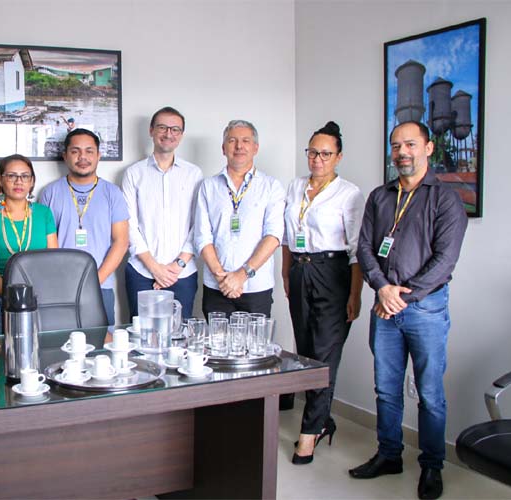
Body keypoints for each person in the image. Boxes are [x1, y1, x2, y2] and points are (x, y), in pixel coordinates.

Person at [350, 121, 467, 500]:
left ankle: (432, 466)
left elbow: (444, 261)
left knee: (430, 393)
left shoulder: (446, 199)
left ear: (428, 148)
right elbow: (365, 247)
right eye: (396, 145)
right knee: (386, 390)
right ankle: (389, 455)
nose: (402, 152)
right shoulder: (380, 196)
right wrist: (382, 288)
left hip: (425, 310)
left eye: (411, 144)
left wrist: (402, 296)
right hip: (384, 307)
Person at [282, 121, 364, 464]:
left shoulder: (349, 193)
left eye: (325, 153)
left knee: (325, 354)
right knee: (305, 351)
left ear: (338, 157)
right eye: (312, 152)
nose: (317, 159)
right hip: (300, 270)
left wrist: (355, 294)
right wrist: (286, 273)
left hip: (333, 273)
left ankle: (308, 432)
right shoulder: (295, 186)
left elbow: (358, 249)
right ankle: (324, 420)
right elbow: (287, 236)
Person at [194, 120, 285, 317]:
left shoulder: (271, 186)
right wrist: (223, 278)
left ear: (255, 148)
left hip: (255, 286)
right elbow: (202, 237)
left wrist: (242, 275)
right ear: (223, 148)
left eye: (245, 140)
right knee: (217, 347)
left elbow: (273, 236)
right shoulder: (208, 187)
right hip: (217, 287)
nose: (239, 146)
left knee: (255, 347)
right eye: (232, 140)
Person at [40, 129, 129, 324]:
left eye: (89, 151)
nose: (83, 157)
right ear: (65, 156)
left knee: (102, 348)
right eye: (75, 151)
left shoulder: (112, 193)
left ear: (98, 155)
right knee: (60, 347)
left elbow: (121, 241)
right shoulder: (50, 193)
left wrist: (94, 281)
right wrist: (62, 282)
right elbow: (45, 245)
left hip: (101, 286)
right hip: (59, 288)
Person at [122, 106, 202, 319]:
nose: (169, 134)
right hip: (141, 271)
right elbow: (129, 225)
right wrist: (154, 268)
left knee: (180, 339)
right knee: (142, 340)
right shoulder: (133, 173)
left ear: (181, 135)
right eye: (162, 127)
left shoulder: (194, 174)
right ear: (151, 131)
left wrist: (178, 265)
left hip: (183, 273)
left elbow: (199, 225)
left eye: (175, 129)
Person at [0, 155, 58, 336]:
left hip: (40, 295)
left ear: (32, 182)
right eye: (11, 176)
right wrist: (12, 297)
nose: (18, 181)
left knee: (38, 352)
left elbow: (53, 260)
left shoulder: (44, 213)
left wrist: (32, 298)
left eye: (25, 176)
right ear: (0, 180)